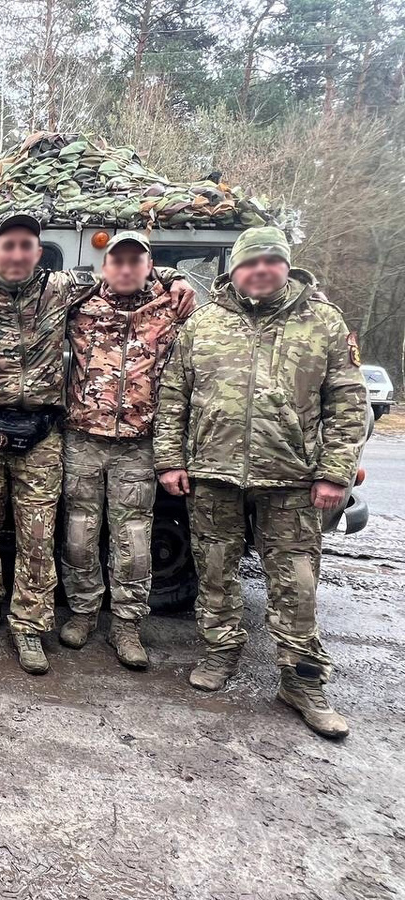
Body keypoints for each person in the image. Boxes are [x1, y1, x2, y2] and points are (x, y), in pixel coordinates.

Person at [154, 226, 367, 739]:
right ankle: (219, 653)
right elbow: (174, 396)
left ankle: (302, 681)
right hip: (213, 470)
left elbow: (348, 403)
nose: (261, 270)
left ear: (286, 266)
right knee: (215, 571)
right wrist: (170, 461)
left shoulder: (323, 321)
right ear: (235, 270)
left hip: (292, 477)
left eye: (272, 260)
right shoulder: (204, 322)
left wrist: (334, 473)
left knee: (296, 582)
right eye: (251, 262)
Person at [0, 216, 194, 674]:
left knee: (55, 535)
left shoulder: (69, 290)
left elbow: (149, 281)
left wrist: (175, 277)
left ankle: (37, 624)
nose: (17, 253)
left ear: (39, 253)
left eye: (27, 245)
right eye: (8, 245)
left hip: (71, 436)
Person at [58, 231, 188, 670]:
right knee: (79, 533)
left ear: (149, 266)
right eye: (118, 260)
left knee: (133, 537)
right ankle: (82, 612)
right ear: (105, 266)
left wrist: (174, 277)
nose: (127, 268)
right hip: (83, 439)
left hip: (139, 445)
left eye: (137, 260)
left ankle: (127, 624)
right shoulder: (80, 304)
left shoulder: (172, 308)